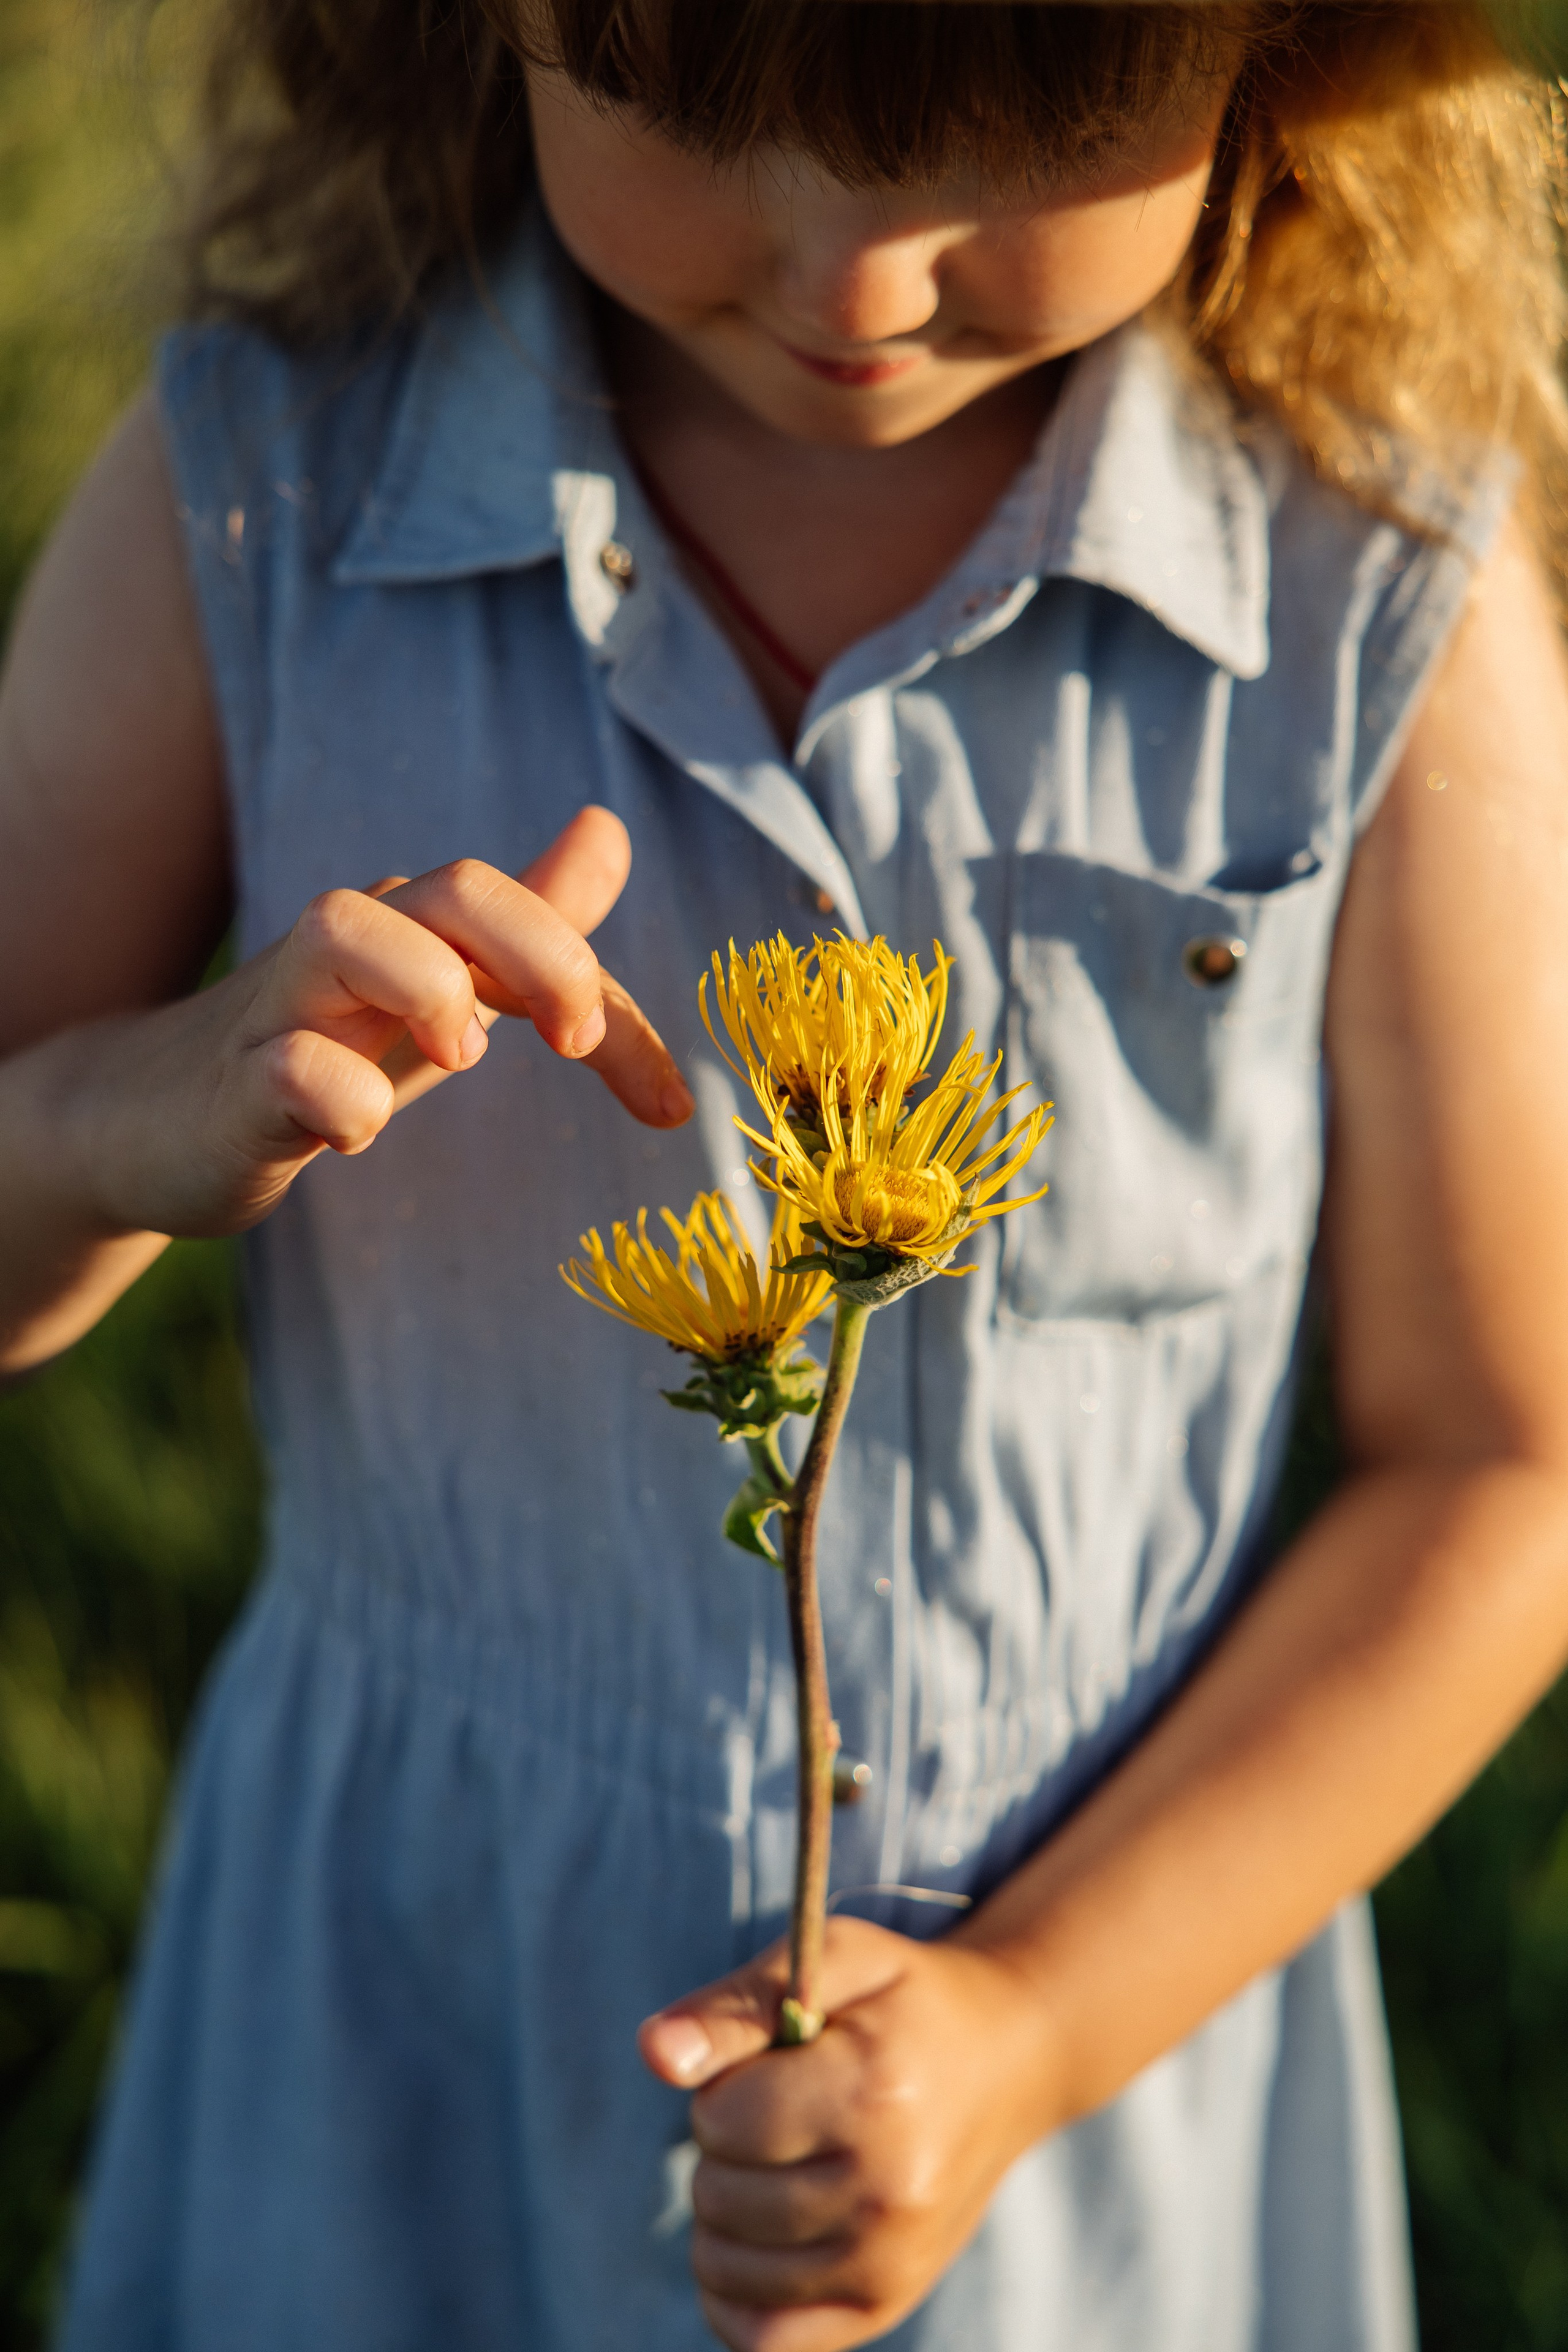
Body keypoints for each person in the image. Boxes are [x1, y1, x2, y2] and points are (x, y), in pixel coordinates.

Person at [5, 1, 1568, 2344]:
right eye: (695, 114)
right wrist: (126, 1116)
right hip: (403, 2048)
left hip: (1082, 2071)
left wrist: (1032, 2022)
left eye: (1030, 120)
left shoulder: (1367, 599)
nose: (852, 284)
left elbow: (1506, 1472)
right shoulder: (258, 492)